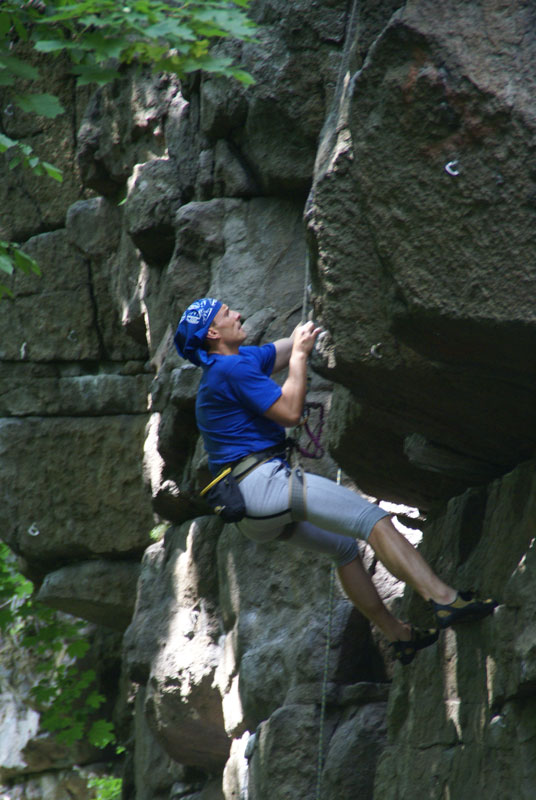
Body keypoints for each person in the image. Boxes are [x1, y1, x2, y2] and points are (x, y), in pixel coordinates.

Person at [174, 297, 497, 665]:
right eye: (228, 313)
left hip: (250, 512)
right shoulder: (230, 371)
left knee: (343, 549)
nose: (239, 313)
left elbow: (287, 346)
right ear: (213, 332)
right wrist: (298, 358)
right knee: (372, 522)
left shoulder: (232, 363)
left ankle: (399, 635)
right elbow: (290, 413)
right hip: (263, 487)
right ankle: (444, 600)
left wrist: (307, 335)